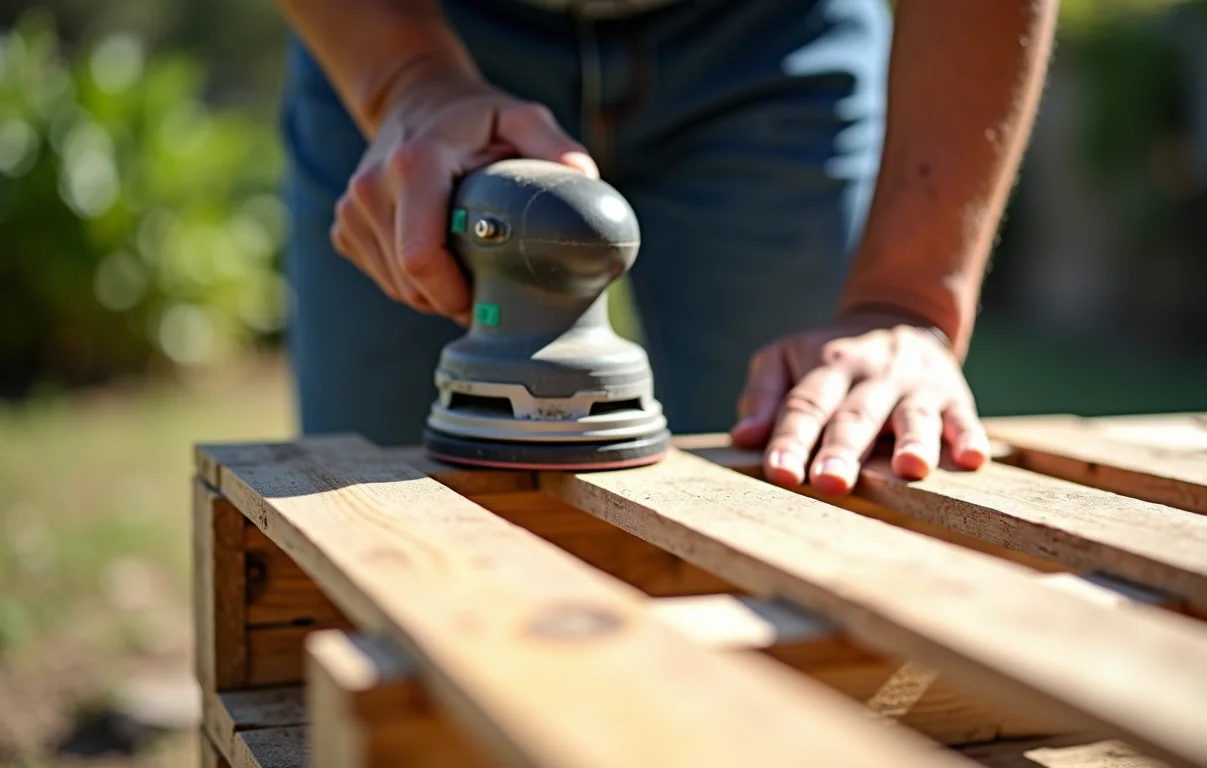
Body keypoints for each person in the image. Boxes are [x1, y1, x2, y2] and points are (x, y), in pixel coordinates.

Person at [273, 0, 1057, 494]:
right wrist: (407, 81)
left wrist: (906, 303)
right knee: (365, 495)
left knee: (792, 474)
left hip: (772, 38)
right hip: (412, 23)